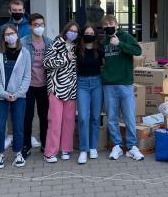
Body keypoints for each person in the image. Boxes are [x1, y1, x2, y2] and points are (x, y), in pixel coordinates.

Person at [100, 15, 143, 161]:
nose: (109, 26)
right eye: (106, 24)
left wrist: (120, 44)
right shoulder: (103, 41)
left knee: (129, 117)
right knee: (111, 117)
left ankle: (131, 146)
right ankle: (117, 145)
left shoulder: (125, 37)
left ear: (117, 25)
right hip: (109, 85)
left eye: (111, 23)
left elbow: (138, 51)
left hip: (125, 83)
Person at [0, 24, 32, 169]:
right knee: (0, 126)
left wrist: (18, 93)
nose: (10, 36)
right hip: (0, 97)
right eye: (7, 34)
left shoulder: (25, 53)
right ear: (3, 37)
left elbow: (27, 76)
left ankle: (18, 153)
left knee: (18, 126)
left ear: (17, 35)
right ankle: (0, 154)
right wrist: (4, 94)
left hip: (19, 96)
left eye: (12, 33)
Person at [42, 21, 79, 163]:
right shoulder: (56, 43)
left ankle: (66, 149)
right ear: (65, 30)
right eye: (71, 30)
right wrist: (65, 58)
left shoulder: (75, 47)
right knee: (55, 121)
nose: (73, 34)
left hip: (71, 90)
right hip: (56, 89)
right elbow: (46, 63)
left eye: (76, 32)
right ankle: (50, 152)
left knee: (69, 121)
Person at [20, 13, 53, 158]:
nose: (39, 28)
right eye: (36, 25)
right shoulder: (22, 43)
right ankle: (25, 145)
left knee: (44, 116)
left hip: (44, 85)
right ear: (30, 26)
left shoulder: (49, 42)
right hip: (28, 86)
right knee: (27, 116)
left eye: (42, 25)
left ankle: (45, 143)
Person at [75, 24, 104, 164]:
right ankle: (83, 149)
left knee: (95, 117)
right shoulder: (77, 48)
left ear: (95, 34)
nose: (89, 34)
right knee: (83, 117)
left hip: (97, 83)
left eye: (91, 32)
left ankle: (93, 147)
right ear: (83, 34)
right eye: (87, 32)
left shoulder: (100, 48)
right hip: (82, 84)